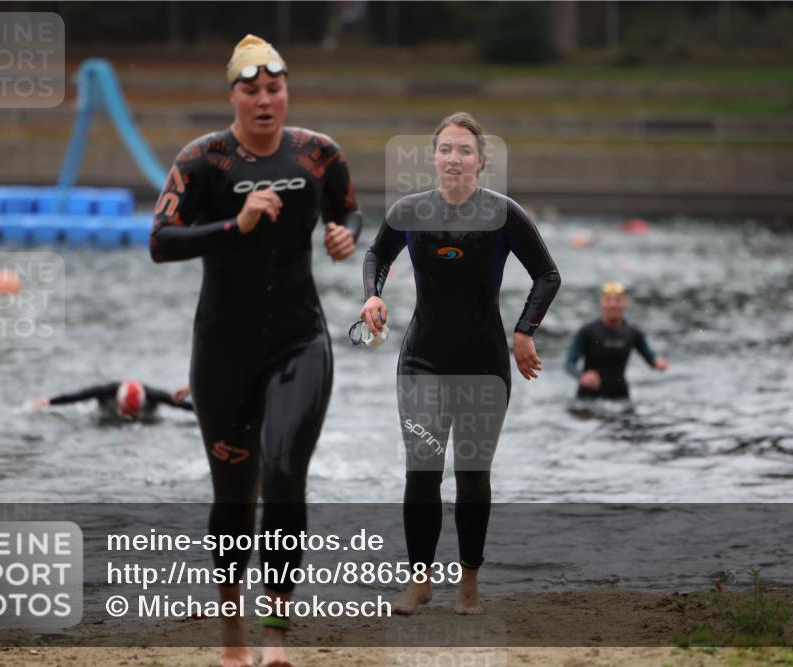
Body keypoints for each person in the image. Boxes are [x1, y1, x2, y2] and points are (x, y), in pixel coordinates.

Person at [150, 35, 361, 667]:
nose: (265, 100)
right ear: (234, 96)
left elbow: (351, 213)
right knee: (234, 494)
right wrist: (233, 226)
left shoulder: (320, 155)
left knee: (286, 471)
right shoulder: (202, 159)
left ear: (286, 92)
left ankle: (275, 640)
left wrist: (343, 235)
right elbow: (160, 241)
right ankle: (233, 641)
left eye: (275, 89)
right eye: (252, 90)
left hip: (300, 339)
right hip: (222, 351)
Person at [360, 112, 560, 616]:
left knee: (472, 475)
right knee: (422, 471)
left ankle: (469, 583)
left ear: (480, 162)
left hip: (483, 363)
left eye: (464, 151)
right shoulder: (410, 211)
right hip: (422, 360)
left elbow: (547, 274)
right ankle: (420, 582)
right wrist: (372, 297)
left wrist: (524, 331)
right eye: (446, 149)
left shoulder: (502, 214)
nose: (454, 158)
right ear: (433, 157)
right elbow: (376, 256)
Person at [564, 282, 669, 400]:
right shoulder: (587, 331)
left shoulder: (633, 333)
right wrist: (582, 376)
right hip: (589, 398)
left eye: (618, 300)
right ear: (602, 303)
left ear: (625, 303)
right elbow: (569, 364)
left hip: (621, 397)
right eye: (608, 300)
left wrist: (658, 362)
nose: (613, 305)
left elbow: (650, 357)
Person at [31, 380, 193, 420]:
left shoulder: (155, 395)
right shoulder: (105, 391)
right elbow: (77, 396)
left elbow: (185, 406)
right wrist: (50, 401)